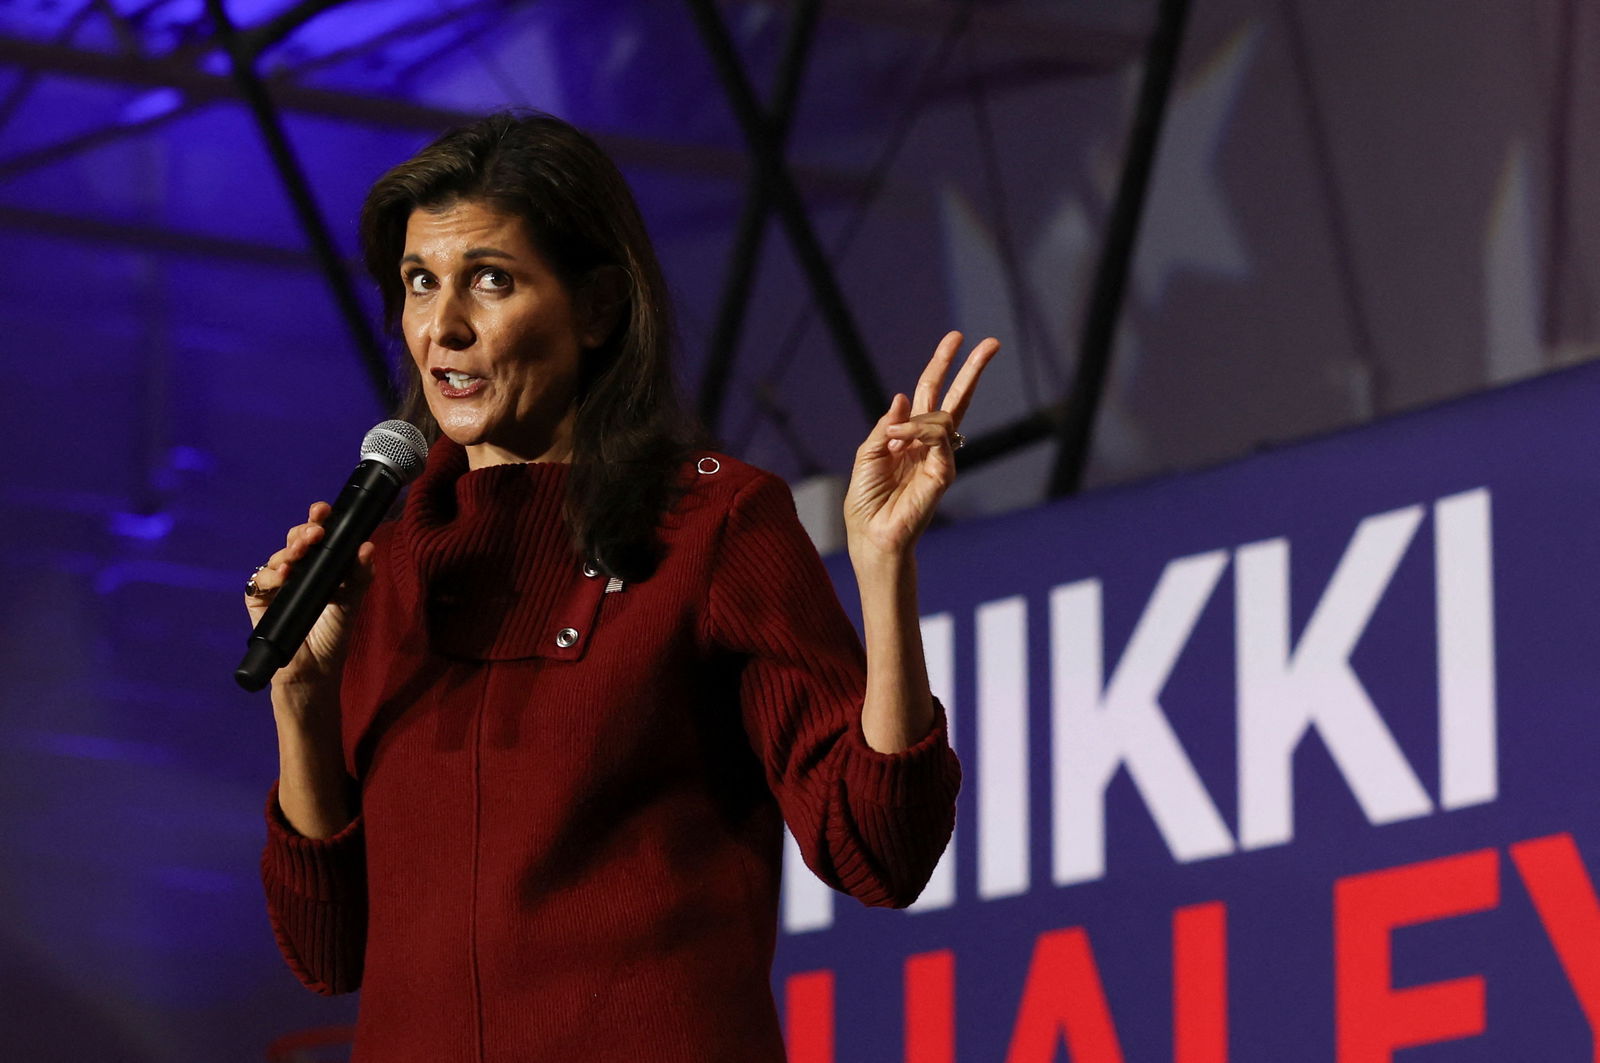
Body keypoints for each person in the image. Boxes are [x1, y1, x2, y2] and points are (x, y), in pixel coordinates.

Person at [246, 111, 998, 1062]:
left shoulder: (711, 527)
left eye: (491, 279)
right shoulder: (378, 574)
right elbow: (328, 953)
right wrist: (302, 700)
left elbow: (878, 848)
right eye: (419, 283)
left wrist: (882, 567)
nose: (443, 326)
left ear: (597, 307)